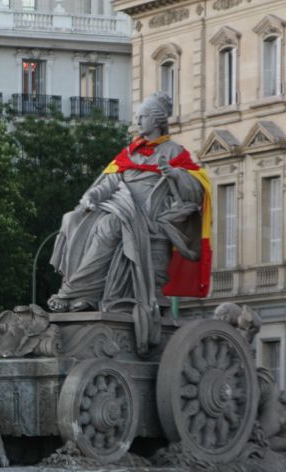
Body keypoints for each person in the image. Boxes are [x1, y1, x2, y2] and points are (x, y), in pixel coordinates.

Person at [48, 92, 211, 354]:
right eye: (137, 117)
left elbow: (197, 191)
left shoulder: (174, 152)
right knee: (74, 219)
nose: (138, 122)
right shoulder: (130, 153)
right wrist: (91, 197)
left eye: (142, 117)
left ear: (156, 120)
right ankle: (85, 296)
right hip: (120, 205)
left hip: (149, 218)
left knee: (110, 226)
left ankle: (73, 292)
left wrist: (175, 174)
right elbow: (111, 181)